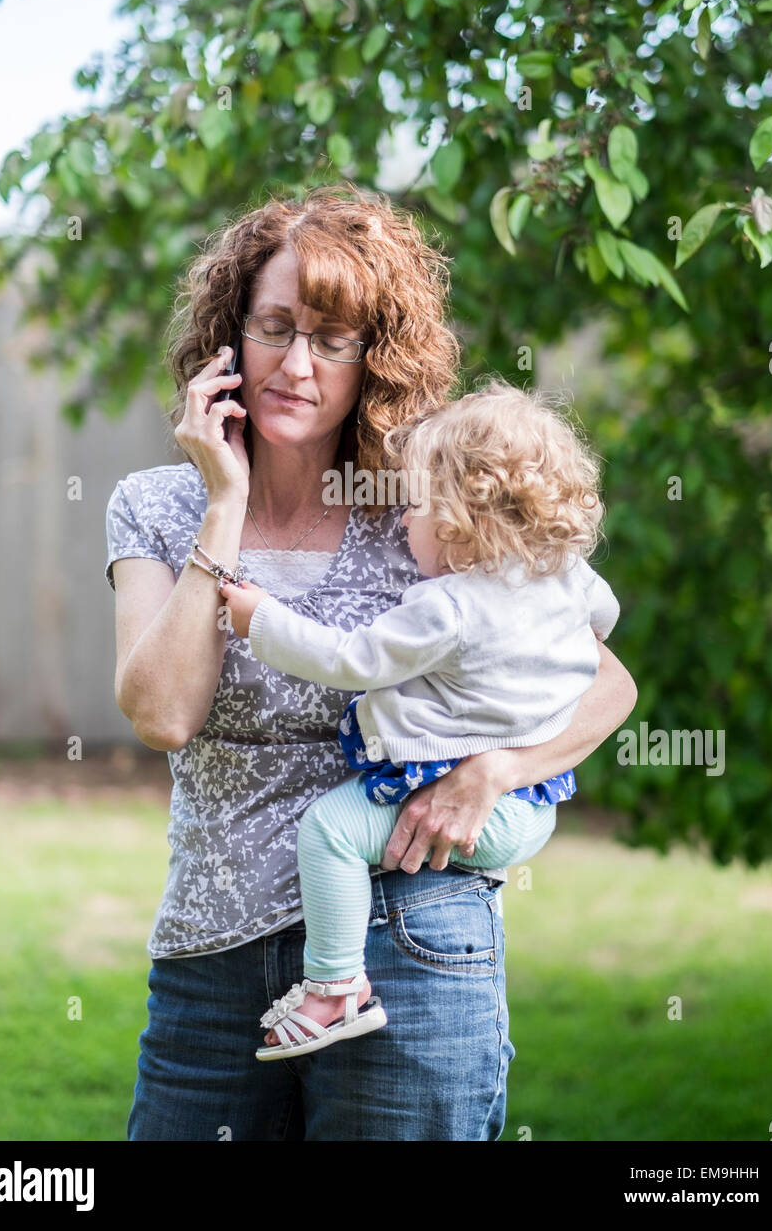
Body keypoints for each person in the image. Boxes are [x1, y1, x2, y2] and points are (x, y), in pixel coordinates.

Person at [105, 184, 637, 1141]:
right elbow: (162, 715)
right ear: (229, 338)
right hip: (211, 960)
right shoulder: (156, 504)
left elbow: (606, 680)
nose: (296, 364)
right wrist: (222, 506)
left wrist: (501, 772)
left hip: (414, 937)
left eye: (333, 339)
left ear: (373, 358)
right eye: (274, 328)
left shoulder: (438, 505)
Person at [219, 379, 621, 1060]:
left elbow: (352, 659)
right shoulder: (570, 579)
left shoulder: (451, 606)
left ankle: (336, 988)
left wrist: (263, 619)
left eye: (415, 507)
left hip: (482, 810)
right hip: (536, 802)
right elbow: (602, 626)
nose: (402, 522)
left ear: (463, 516)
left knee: (332, 831)